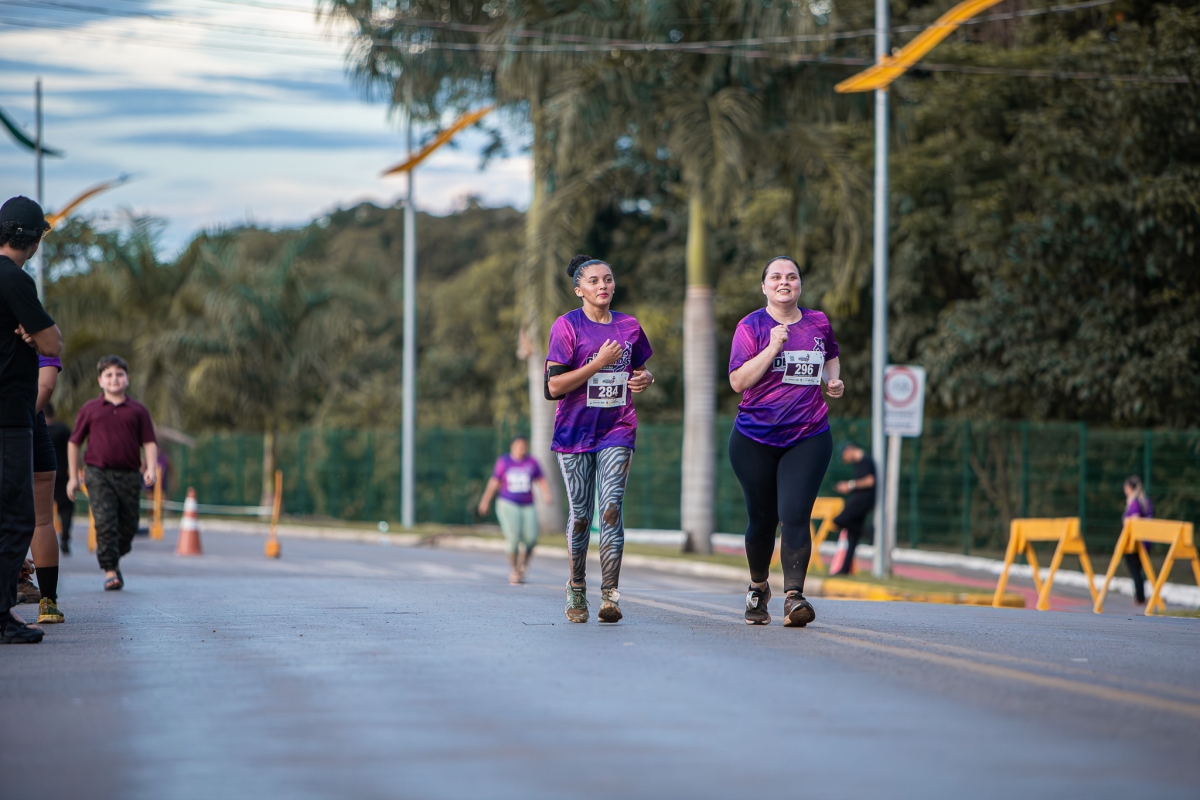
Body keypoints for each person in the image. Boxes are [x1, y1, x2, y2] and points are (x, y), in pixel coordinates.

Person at [728, 256, 843, 627]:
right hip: (754, 439)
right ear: (764, 286)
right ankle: (758, 586)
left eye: (791, 277)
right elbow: (738, 381)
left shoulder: (817, 322)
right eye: (776, 277)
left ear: (799, 285)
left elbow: (831, 356)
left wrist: (832, 380)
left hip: (808, 435)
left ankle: (794, 597)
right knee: (762, 519)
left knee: (794, 513)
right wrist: (773, 347)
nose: (784, 282)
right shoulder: (751, 326)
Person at [545, 254, 653, 624]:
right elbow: (554, 387)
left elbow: (640, 370)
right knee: (581, 516)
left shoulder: (629, 326)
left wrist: (645, 378)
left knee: (610, 508)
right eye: (593, 281)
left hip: (617, 428)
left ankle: (610, 595)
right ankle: (577, 586)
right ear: (579, 290)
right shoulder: (566, 326)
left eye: (607, 279)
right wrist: (597, 363)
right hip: (574, 433)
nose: (602, 285)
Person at [0, 195, 61, 644]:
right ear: (34, 239)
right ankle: (2, 615)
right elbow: (53, 343)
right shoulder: (14, 279)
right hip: (8, 413)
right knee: (17, 516)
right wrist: (35, 335)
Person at [66, 355, 158, 591]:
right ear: (100, 380)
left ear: (127, 378)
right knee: (105, 522)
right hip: (98, 474)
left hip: (130, 475)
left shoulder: (138, 410)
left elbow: (149, 442)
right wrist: (73, 477)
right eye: (108, 375)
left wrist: (150, 468)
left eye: (119, 374)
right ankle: (110, 571)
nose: (114, 379)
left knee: (128, 527)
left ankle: (114, 558)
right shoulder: (90, 409)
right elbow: (74, 443)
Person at [477, 436, 551, 585]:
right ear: (512, 446)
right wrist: (485, 501)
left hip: (527, 504)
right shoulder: (504, 462)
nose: (521, 448)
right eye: (518, 445)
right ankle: (514, 569)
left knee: (531, 539)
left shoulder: (532, 462)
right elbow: (494, 481)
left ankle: (523, 564)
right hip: (508, 503)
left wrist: (546, 494)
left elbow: (541, 479)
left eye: (523, 446)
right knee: (514, 537)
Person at [29, 355, 64, 623]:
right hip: (32, 427)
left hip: (11, 429)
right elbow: (47, 385)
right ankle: (48, 604)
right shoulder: (43, 336)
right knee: (42, 521)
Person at [828, 441, 876, 576]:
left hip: (862, 500)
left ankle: (867, 532)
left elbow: (870, 481)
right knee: (852, 536)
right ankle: (844, 569)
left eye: (844, 456)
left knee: (839, 520)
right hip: (860, 498)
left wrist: (849, 485)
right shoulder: (859, 463)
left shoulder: (864, 461)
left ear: (848, 450)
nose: (845, 460)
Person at [45, 403, 73, 554]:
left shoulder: (37, 429)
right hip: (61, 474)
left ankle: (41, 543)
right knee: (66, 509)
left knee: (41, 513)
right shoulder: (63, 430)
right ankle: (65, 538)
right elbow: (72, 449)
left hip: (41, 475)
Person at [1121, 475, 1154, 605]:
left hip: (1134, 542)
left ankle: (1139, 597)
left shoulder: (1134, 502)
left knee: (1134, 569)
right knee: (1141, 569)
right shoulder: (1145, 500)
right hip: (1146, 541)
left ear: (1129, 488)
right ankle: (1141, 596)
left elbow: (1134, 519)